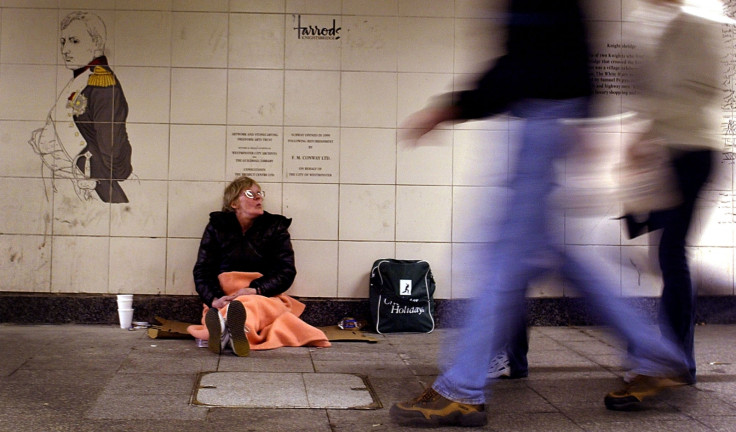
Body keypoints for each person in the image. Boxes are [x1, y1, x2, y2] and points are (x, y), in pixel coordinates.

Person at [390, 1, 689, 427]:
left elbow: (524, 62)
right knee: (559, 257)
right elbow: (566, 44)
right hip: (549, 120)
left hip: (540, 122)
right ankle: (655, 356)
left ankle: (461, 390)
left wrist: (453, 107)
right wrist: (582, 113)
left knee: (496, 262)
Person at [621, 0, 727, 385]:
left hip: (693, 154)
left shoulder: (698, 28)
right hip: (665, 157)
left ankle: (677, 357)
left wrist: (647, 122)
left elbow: (702, 91)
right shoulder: (649, 27)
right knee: (662, 253)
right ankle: (668, 351)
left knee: (670, 251)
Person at [190, 175, 330, 356]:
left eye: (259, 193)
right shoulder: (217, 226)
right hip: (225, 295)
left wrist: (255, 290)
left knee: (247, 306)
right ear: (234, 203)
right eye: (250, 193)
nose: (259, 198)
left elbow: (286, 271)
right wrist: (215, 298)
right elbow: (203, 270)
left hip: (264, 296)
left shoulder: (275, 227)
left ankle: (226, 332)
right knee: (227, 307)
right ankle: (233, 332)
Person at [29, 11, 133, 203]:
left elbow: (111, 146)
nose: (65, 49)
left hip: (89, 190)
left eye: (74, 41)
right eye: (63, 42)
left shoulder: (103, 85)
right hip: (67, 185)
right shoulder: (82, 80)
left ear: (97, 43)